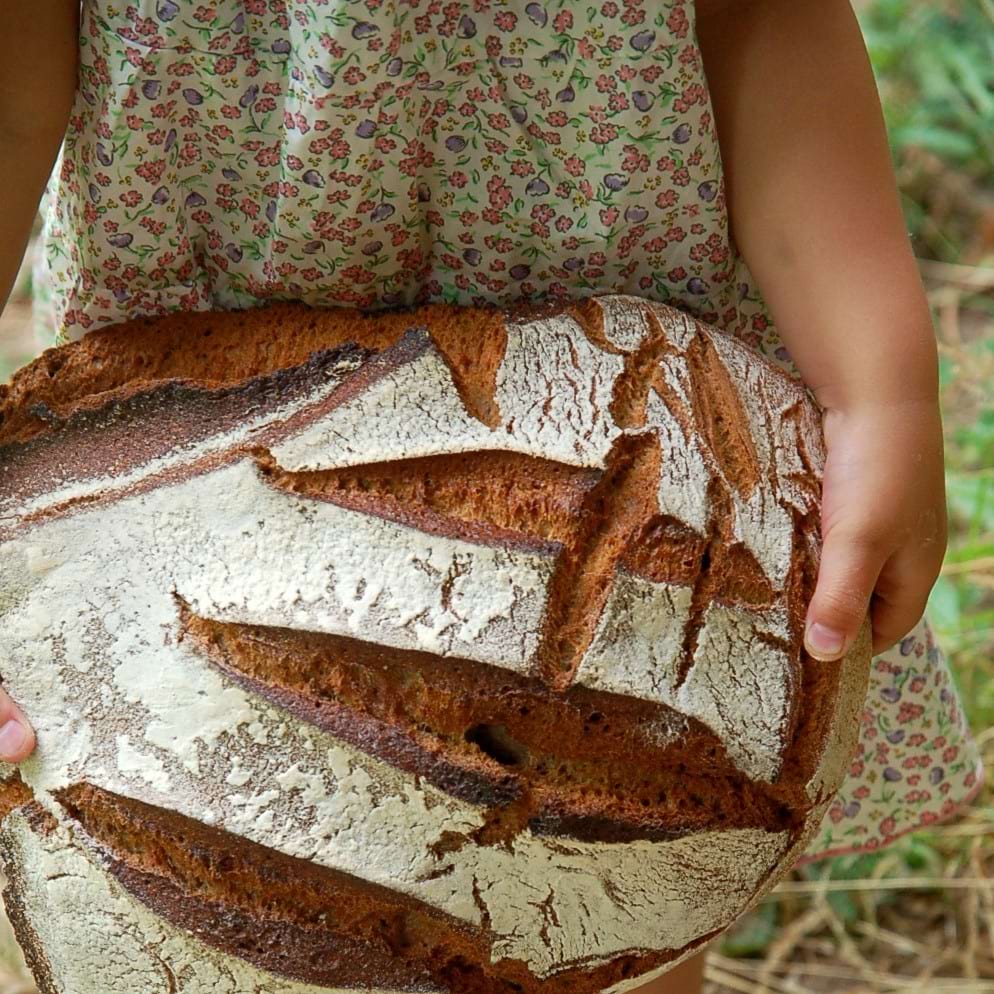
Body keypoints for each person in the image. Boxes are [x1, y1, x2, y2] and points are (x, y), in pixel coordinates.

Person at [0, 2, 985, 991]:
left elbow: (762, 17)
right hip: (187, 447)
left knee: (597, 881)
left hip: (621, 428)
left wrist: (877, 389)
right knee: (222, 865)